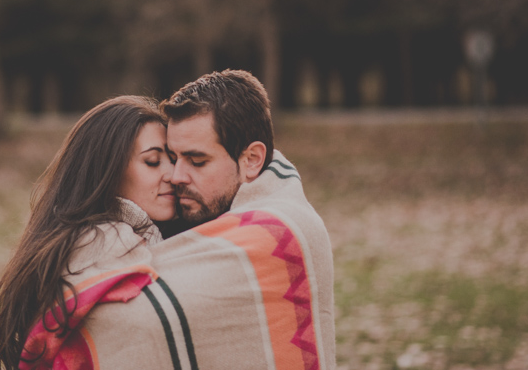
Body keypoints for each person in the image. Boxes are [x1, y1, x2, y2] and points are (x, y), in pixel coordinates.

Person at [46, 70, 337, 370]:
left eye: (197, 161)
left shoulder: (280, 231)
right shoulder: (129, 235)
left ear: (251, 160)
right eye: (173, 157)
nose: (176, 176)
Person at [0, 95, 176, 370]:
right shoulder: (107, 245)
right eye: (152, 161)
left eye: (172, 159)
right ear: (107, 171)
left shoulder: (74, 240)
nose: (172, 173)